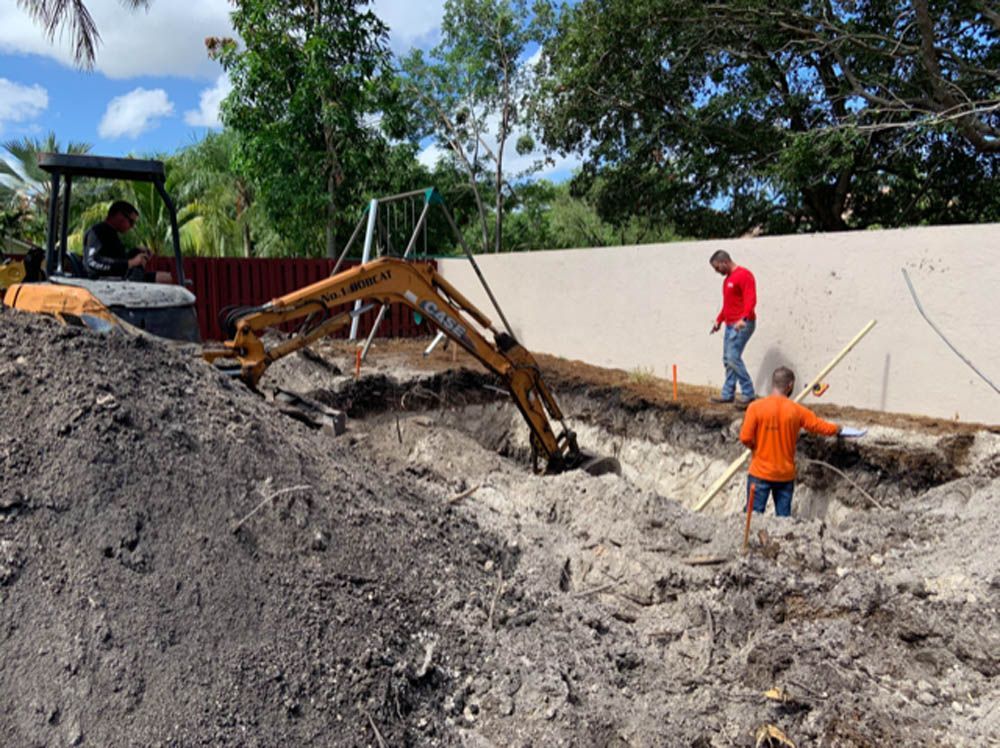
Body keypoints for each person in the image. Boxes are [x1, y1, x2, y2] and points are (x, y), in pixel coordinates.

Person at [739, 366, 864, 516]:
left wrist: (756, 448)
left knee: (752, 518)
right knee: (783, 523)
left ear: (773, 383)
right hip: (785, 476)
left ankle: (750, 540)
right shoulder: (796, 411)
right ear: (790, 385)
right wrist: (838, 429)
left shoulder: (755, 408)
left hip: (759, 473)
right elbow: (818, 425)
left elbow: (745, 437)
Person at [83, 200, 171, 283]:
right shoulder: (98, 231)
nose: (132, 226)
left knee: (168, 277)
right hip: (108, 283)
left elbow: (116, 260)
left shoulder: (111, 233)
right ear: (119, 216)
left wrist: (135, 251)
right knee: (166, 279)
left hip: (121, 280)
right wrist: (131, 263)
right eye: (131, 222)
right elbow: (93, 262)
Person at [709, 249, 756, 404]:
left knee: (733, 357)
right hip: (730, 325)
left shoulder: (744, 275)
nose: (716, 272)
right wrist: (719, 320)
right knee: (727, 359)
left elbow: (751, 299)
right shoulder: (727, 280)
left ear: (725, 262)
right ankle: (728, 393)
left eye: (717, 268)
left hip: (743, 324)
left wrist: (743, 318)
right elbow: (728, 305)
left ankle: (748, 392)